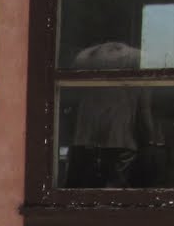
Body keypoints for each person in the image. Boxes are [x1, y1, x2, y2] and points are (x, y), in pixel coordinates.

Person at [67, 41, 158, 189]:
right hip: (121, 140)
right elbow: (144, 109)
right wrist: (150, 140)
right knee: (116, 197)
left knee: (82, 196)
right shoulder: (140, 59)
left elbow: (71, 103)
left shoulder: (83, 58)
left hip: (84, 140)